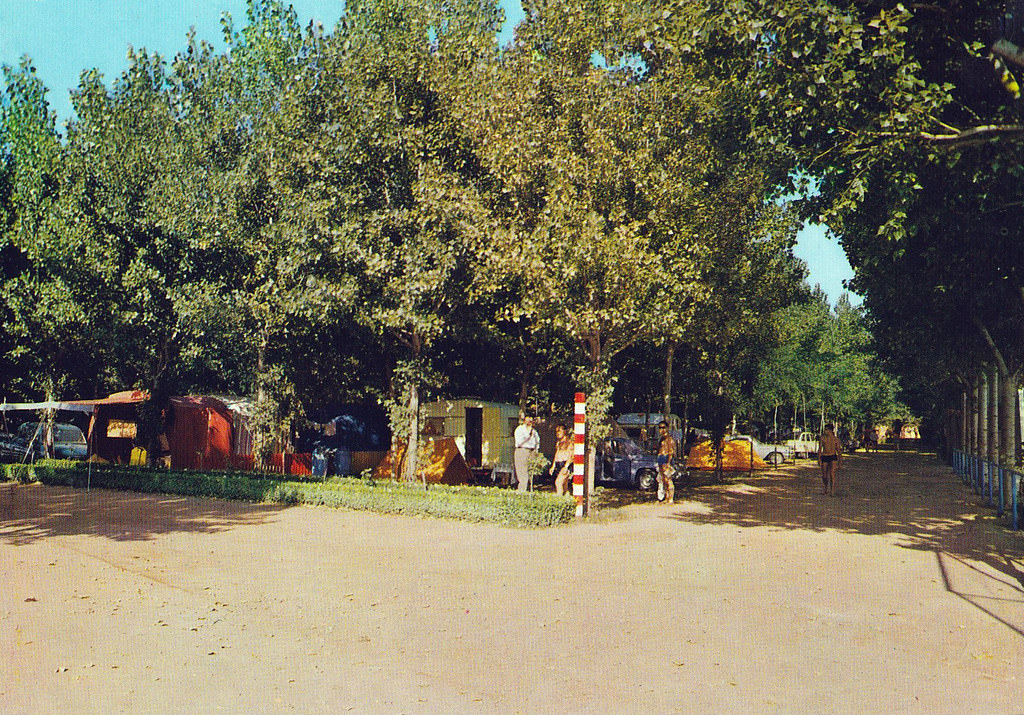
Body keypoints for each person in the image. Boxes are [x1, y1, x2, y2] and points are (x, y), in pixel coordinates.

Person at [513, 414, 540, 492]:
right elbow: (519, 443)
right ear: (524, 419)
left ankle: (530, 489)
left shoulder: (534, 431)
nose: (530, 420)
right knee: (522, 471)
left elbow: (537, 442)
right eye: (528, 418)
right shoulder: (520, 429)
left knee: (531, 471)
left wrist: (536, 451)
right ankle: (522, 490)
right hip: (522, 450)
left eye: (531, 418)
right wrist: (528, 434)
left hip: (531, 451)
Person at [818, 423, 843, 496]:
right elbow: (820, 449)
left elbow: (839, 451)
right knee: (824, 475)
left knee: (832, 474)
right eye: (825, 430)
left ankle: (832, 490)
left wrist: (840, 462)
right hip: (825, 456)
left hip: (833, 457)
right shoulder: (822, 438)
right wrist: (819, 459)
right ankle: (826, 488)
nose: (825, 431)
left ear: (830, 430)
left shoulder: (836, 440)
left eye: (826, 430)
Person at [657, 421, 677, 504]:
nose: (661, 429)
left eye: (663, 427)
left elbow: (671, 452)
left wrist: (668, 462)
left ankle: (671, 499)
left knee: (668, 479)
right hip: (660, 458)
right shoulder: (661, 439)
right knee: (663, 479)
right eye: (660, 427)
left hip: (666, 459)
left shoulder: (669, 439)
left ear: (667, 428)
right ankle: (666, 497)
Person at [551, 424, 574, 496]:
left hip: (565, 464)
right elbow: (557, 454)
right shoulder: (558, 443)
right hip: (558, 464)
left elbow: (571, 456)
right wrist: (553, 466)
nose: (558, 433)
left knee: (558, 482)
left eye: (560, 431)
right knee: (565, 486)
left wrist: (566, 466)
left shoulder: (569, 442)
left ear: (564, 431)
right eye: (557, 432)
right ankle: (566, 499)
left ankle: (559, 499)